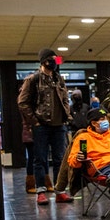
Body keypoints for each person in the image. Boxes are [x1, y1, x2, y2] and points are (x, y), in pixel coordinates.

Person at [17, 48, 75, 205]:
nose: (54, 63)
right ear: (43, 61)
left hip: (59, 126)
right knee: (40, 159)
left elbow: (64, 99)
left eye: (56, 60)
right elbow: (22, 102)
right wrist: (34, 121)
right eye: (52, 60)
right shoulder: (33, 79)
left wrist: (66, 116)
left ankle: (60, 191)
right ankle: (41, 191)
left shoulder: (58, 79)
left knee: (60, 160)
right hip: (41, 126)